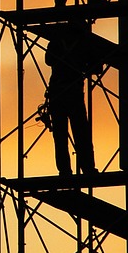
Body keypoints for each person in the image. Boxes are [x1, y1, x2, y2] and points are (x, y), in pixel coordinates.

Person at [42, 23, 103, 176]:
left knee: (60, 136)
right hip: (73, 94)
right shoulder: (84, 44)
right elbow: (97, 68)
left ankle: (65, 170)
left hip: (57, 93)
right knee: (81, 133)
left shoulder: (57, 43)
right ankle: (87, 168)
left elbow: (49, 60)